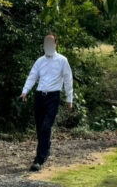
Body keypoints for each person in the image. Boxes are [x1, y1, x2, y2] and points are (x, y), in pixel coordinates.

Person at [20, 33, 74, 172]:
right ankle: (45, 148)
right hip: (39, 96)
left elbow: (68, 80)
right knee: (40, 128)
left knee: (46, 126)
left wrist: (69, 99)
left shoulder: (62, 60)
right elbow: (32, 76)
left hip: (53, 97)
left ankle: (39, 158)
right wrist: (25, 91)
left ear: (56, 44)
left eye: (51, 42)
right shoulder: (39, 61)